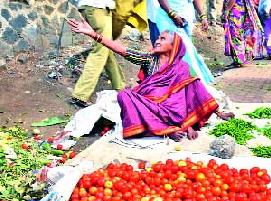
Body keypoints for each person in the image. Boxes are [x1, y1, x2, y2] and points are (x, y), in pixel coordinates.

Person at [67, 19, 234, 141]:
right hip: (150, 106)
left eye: (162, 39)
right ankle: (168, 130)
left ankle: (181, 126)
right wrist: (93, 35)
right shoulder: (149, 60)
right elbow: (122, 50)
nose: (157, 40)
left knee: (183, 95)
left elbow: (193, 93)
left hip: (173, 111)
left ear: (173, 46)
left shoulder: (182, 67)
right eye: (158, 38)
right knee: (124, 95)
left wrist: (217, 112)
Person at [69, 0, 147, 107]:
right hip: (97, 8)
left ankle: (120, 86)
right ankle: (80, 95)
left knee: (106, 48)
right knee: (100, 52)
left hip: (96, 8)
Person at [147, 0, 214, 87]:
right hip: (167, 18)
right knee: (184, 53)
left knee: (187, 52)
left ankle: (186, 87)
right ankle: (195, 85)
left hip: (185, 19)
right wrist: (173, 14)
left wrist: (203, 16)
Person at [222, 0, 264, 68]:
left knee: (235, 35)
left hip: (235, 11)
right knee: (239, 34)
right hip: (240, 9)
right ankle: (240, 59)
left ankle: (239, 60)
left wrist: (227, 10)